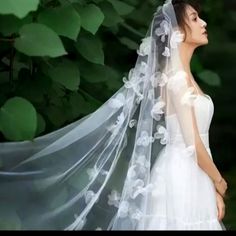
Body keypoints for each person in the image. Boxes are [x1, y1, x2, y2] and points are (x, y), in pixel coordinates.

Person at [0, 0, 227, 231]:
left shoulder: (184, 77)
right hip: (181, 176)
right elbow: (193, 143)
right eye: (195, 18)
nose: (203, 22)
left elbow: (199, 144)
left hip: (195, 175)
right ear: (177, 31)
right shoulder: (177, 79)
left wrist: (211, 188)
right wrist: (219, 182)